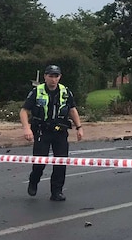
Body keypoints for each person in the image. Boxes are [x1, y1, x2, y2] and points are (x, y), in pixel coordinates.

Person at [20, 64, 84, 201]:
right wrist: (26, 128)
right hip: (42, 131)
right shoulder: (37, 91)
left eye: (56, 76)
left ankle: (57, 192)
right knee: (39, 162)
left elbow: (72, 109)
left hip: (60, 131)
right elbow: (24, 111)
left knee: (60, 162)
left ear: (59, 77)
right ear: (45, 77)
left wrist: (79, 127)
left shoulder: (65, 91)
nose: (53, 79)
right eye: (51, 76)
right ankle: (34, 181)